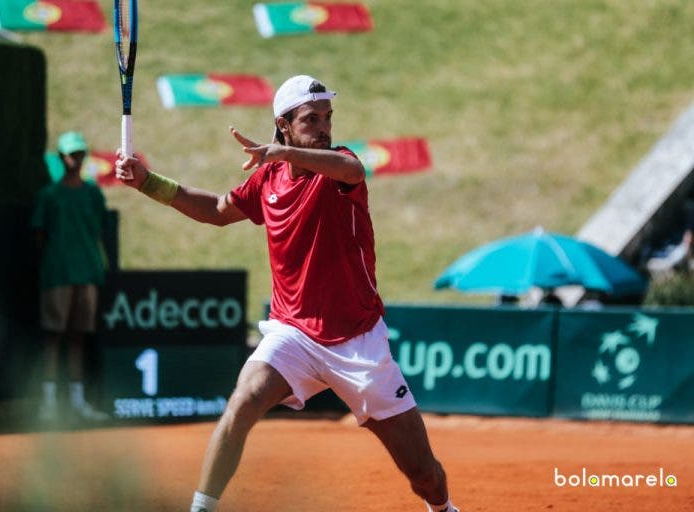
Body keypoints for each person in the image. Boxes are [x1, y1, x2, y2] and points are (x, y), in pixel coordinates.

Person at [116, 75, 459, 512]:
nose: (324, 127)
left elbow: (353, 171)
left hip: (358, 343)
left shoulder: (340, 166)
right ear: (284, 124)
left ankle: (444, 509)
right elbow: (216, 211)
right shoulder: (268, 180)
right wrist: (149, 182)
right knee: (243, 401)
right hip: (292, 334)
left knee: (424, 475)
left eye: (327, 118)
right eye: (311, 119)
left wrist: (282, 152)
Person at [31, 131, 109, 423]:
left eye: (78, 154)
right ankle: (49, 405)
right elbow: (39, 235)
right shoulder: (49, 196)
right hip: (58, 273)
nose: (74, 159)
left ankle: (77, 403)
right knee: (53, 338)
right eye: (69, 154)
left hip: (88, 272)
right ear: (61, 157)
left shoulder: (92, 193)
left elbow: (100, 231)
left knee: (78, 338)